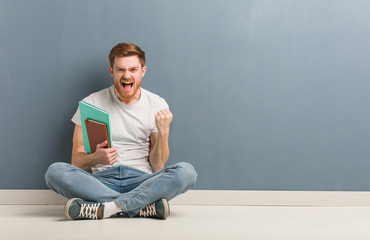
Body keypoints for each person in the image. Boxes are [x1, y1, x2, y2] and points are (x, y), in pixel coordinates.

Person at [45, 43, 197, 220]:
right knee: (54, 172)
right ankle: (140, 207)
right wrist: (96, 158)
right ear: (112, 71)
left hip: (142, 181)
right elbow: (76, 162)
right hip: (101, 181)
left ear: (143, 71)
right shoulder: (91, 103)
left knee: (186, 172)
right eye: (120, 70)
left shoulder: (157, 104)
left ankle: (107, 208)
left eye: (133, 69)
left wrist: (163, 133)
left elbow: (157, 165)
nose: (127, 75)